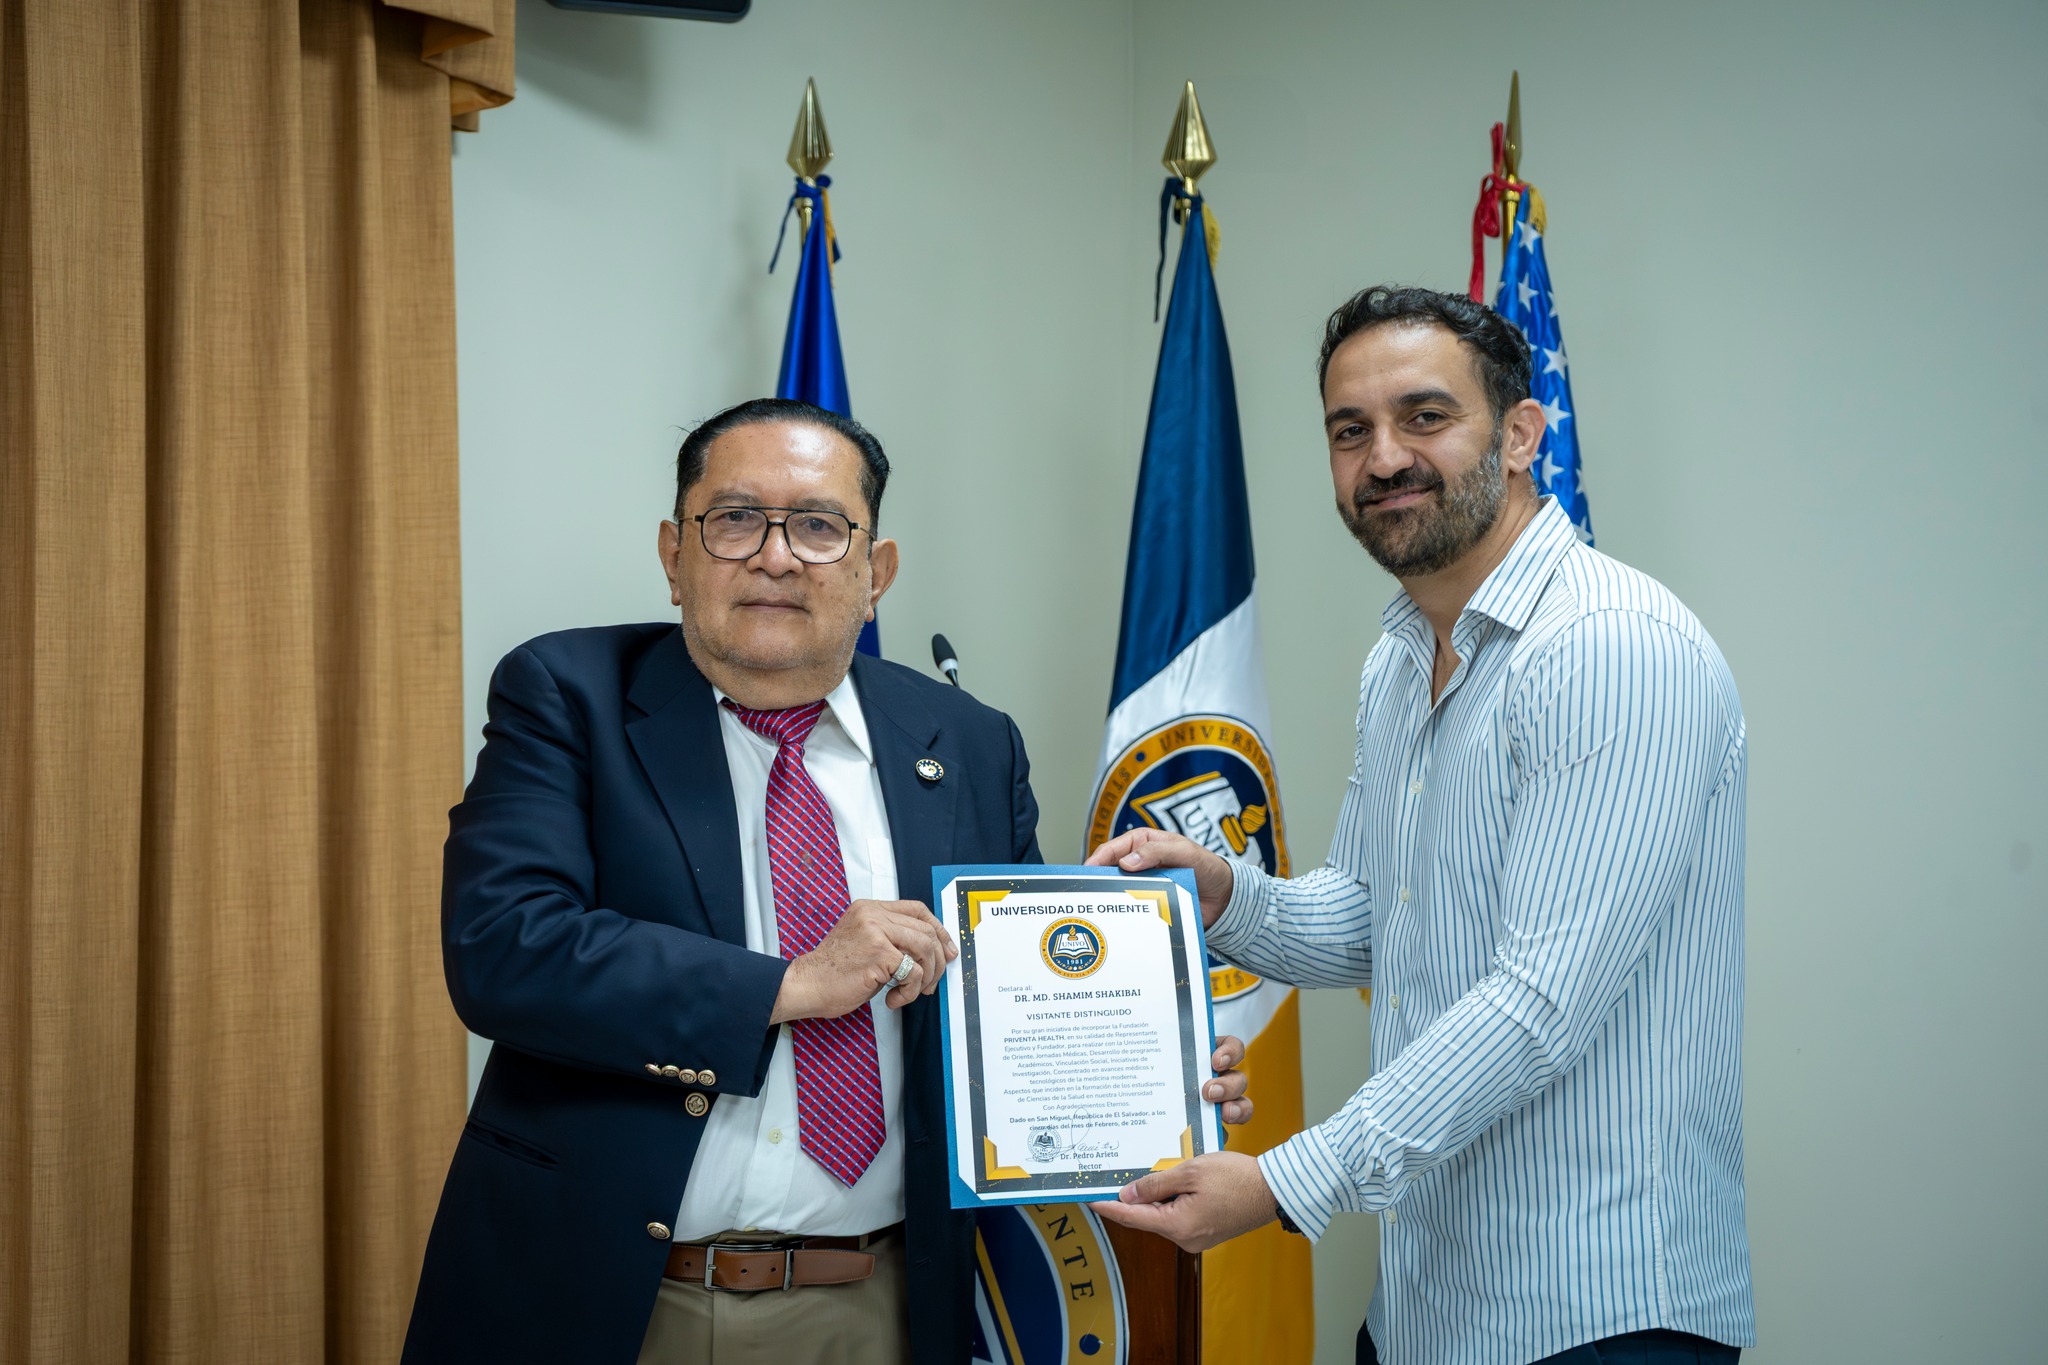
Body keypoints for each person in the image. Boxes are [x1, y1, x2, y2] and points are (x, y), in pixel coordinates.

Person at [403, 397, 1249, 1365]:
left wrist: (1145, 1070)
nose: (774, 555)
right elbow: (506, 947)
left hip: (881, 1303)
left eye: (816, 525)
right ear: (674, 556)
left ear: (874, 573)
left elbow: (1005, 1003)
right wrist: (791, 983)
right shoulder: (567, 694)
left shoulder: (970, 742)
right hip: (614, 1298)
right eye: (734, 520)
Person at [1089, 287, 1754, 1365]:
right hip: (1424, 1307)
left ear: (1521, 434)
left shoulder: (1610, 645)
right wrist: (1224, 898)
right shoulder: (1402, 658)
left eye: (1425, 416)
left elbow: (1535, 1004)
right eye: (1349, 430)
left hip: (1594, 1310)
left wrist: (1282, 1181)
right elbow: (1378, 920)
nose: (1384, 457)